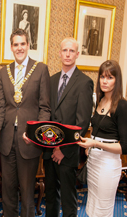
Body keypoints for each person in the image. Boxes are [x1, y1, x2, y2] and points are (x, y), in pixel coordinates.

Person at [0, 28, 51, 217]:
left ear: (28, 45)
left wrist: (35, 134)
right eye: (15, 44)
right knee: (7, 190)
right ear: (11, 47)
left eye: (22, 44)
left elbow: (45, 108)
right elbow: (0, 108)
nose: (19, 48)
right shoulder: (3, 72)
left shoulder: (41, 69)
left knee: (26, 191)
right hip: (7, 140)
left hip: (28, 141)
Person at [42, 37, 94, 217]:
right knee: (50, 197)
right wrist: (51, 146)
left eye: (72, 51)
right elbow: (47, 114)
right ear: (59, 53)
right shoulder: (52, 80)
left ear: (77, 54)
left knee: (68, 200)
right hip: (49, 151)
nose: (68, 54)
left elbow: (82, 123)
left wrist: (63, 149)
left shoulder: (84, 83)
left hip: (68, 153)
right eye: (65, 50)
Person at [78, 60, 127, 217]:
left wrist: (96, 143)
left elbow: (124, 147)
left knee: (103, 209)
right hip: (93, 161)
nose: (105, 81)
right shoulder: (100, 100)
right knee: (92, 206)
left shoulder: (122, 105)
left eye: (110, 77)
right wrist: (90, 147)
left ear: (117, 80)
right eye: (102, 77)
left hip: (108, 165)